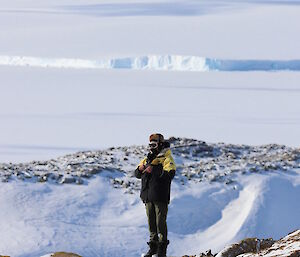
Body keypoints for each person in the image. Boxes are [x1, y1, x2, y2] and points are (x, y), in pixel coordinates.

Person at [135, 133, 176, 257]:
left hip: (160, 195)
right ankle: (153, 248)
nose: (151, 147)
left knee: (160, 223)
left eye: (154, 144)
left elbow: (170, 175)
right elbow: (137, 174)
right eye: (150, 144)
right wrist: (141, 169)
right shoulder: (147, 159)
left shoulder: (167, 158)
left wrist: (154, 169)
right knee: (151, 223)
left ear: (160, 144)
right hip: (148, 196)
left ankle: (162, 250)